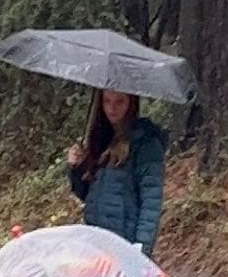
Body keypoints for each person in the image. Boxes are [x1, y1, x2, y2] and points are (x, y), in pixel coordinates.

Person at [69, 89, 166, 257]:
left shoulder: (145, 144)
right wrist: (76, 168)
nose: (112, 108)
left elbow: (151, 203)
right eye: (107, 101)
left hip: (125, 244)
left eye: (119, 101)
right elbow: (87, 195)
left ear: (131, 103)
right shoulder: (101, 140)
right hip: (96, 242)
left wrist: (141, 248)